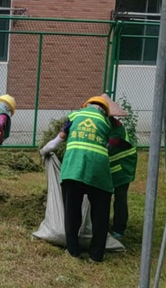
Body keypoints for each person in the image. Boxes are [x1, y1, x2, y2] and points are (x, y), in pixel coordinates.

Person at [40, 96, 113, 262]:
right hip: (98, 171)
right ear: (105, 111)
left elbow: (56, 142)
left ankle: (73, 251)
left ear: (85, 106)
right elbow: (108, 146)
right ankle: (96, 255)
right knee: (100, 215)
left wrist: (43, 151)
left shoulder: (74, 117)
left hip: (73, 169)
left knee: (72, 210)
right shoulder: (106, 123)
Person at [108, 114, 137, 239]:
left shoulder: (116, 128)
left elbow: (107, 148)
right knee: (105, 196)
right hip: (114, 166)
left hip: (123, 167)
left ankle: (119, 229)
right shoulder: (108, 124)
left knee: (120, 197)